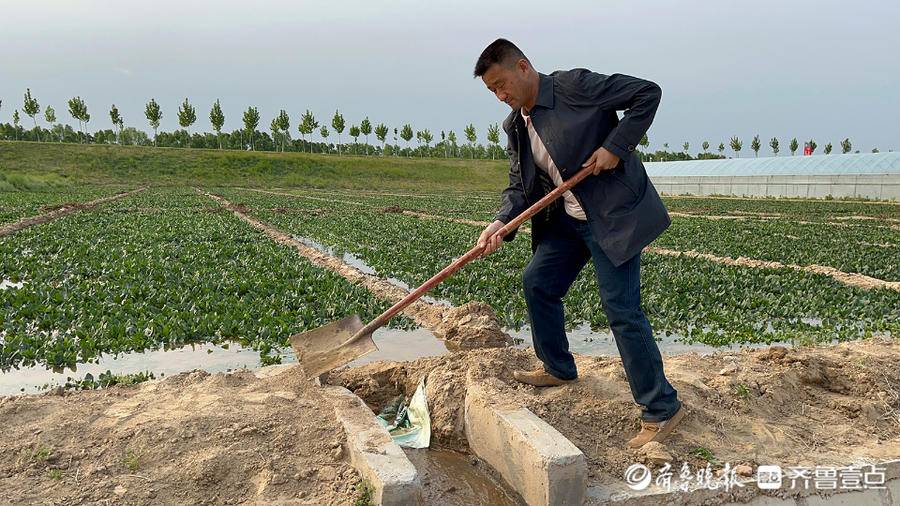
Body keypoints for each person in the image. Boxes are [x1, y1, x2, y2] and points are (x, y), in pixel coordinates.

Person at [472, 38, 684, 448]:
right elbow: (520, 185)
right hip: (568, 220)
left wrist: (615, 148)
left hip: (611, 218)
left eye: (502, 84)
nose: (501, 96)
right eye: (492, 91)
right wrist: (501, 221)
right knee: (538, 282)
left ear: (523, 66)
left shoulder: (575, 87)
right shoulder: (516, 125)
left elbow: (646, 93)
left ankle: (662, 407)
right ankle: (558, 367)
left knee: (621, 309)